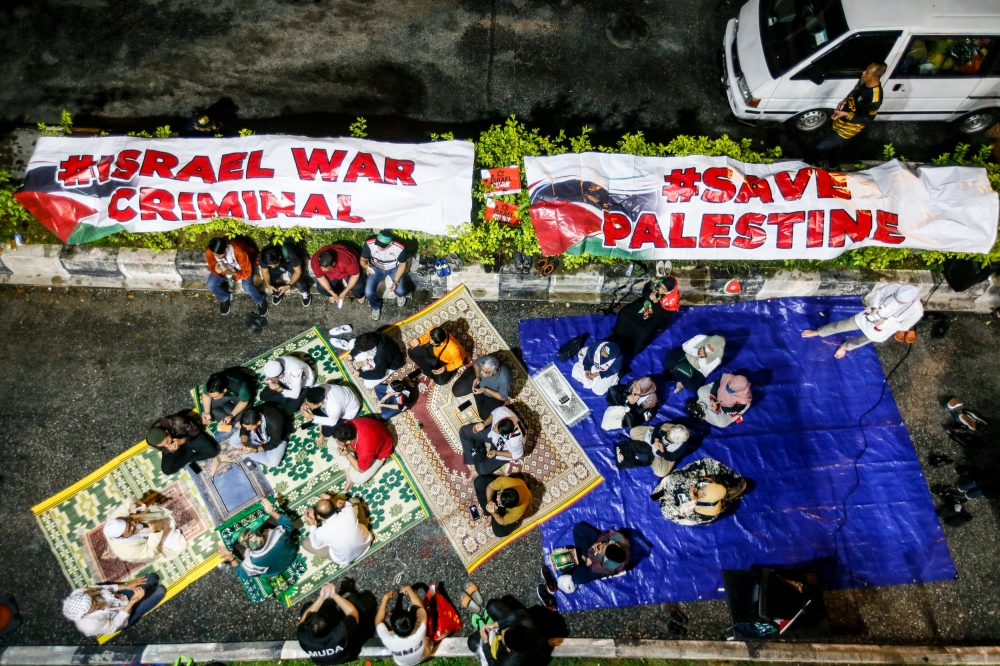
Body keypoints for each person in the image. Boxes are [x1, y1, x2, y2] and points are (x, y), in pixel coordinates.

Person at [801, 283, 923, 358]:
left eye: (900, 302)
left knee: (860, 341)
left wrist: (884, 323)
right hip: (867, 316)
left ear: (911, 300)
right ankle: (818, 332)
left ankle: (845, 347)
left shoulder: (916, 311)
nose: (897, 301)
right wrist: (874, 307)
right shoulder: (895, 287)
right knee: (840, 326)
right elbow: (880, 293)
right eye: (896, 297)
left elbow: (903, 326)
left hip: (881, 330)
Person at [812, 62, 886, 166]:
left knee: (822, 146)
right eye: (866, 69)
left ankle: (807, 162)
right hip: (843, 117)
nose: (863, 72)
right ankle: (832, 164)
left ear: (875, 77)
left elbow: (866, 120)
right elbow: (855, 91)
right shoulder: (865, 80)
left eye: (868, 72)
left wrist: (845, 114)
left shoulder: (875, 98)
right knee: (838, 144)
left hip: (851, 126)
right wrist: (845, 100)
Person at [217, 497, 298, 579]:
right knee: (277, 517)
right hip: (290, 554)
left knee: (235, 549)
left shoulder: (252, 561)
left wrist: (231, 558)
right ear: (263, 534)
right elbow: (288, 523)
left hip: (274, 571)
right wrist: (271, 511)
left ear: (249, 550)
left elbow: (241, 574)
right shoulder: (279, 535)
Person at [650, 457, 747, 526]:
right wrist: (692, 487)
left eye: (703, 492)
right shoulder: (706, 484)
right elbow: (699, 482)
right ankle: (660, 493)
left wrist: (692, 501)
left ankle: (730, 491)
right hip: (685, 492)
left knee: (667, 509)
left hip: (683, 508)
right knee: (673, 480)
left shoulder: (708, 512)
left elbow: (685, 512)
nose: (699, 488)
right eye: (703, 487)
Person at [61, 574, 166, 637]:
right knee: (160, 591)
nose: (96, 602)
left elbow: (103, 588)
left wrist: (126, 586)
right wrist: (132, 602)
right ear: (86, 613)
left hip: (119, 598)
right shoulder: (90, 626)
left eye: (93, 599)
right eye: (93, 605)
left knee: (152, 578)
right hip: (122, 617)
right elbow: (116, 624)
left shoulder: (80, 593)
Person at [298, 582, 376, 665]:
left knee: (307, 607)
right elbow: (353, 613)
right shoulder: (340, 633)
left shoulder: (303, 637)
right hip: (348, 652)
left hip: (325, 660)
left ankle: (329, 608)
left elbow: (302, 620)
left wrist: (321, 598)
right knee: (354, 600)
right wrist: (334, 595)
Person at [102, 496, 187, 563]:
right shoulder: (126, 551)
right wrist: (154, 533)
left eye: (129, 523)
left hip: (146, 524)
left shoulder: (114, 519)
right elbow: (150, 552)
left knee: (159, 516)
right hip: (152, 546)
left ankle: (164, 522)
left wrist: (131, 506)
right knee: (176, 541)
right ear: (121, 537)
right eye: (129, 530)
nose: (133, 526)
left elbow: (127, 502)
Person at [610, 276, 680, 357]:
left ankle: (631, 348)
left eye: (664, 289)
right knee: (624, 314)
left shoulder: (671, 301)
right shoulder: (656, 282)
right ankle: (617, 334)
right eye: (661, 286)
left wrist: (656, 303)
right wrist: (649, 295)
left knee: (642, 331)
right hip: (645, 304)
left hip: (655, 317)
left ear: (670, 290)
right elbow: (645, 290)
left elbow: (661, 315)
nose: (660, 289)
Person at [205, 236, 267, 317]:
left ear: (226, 250)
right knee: (210, 284)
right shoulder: (210, 250)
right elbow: (211, 263)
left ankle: (261, 300)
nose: (216, 256)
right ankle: (225, 297)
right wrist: (215, 269)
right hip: (224, 268)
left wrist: (228, 272)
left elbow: (246, 273)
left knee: (247, 286)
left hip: (243, 266)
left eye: (218, 255)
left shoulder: (239, 252)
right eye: (214, 254)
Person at [466, 596, 538, 666]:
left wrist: (485, 642)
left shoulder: (508, 663)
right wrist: (496, 624)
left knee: (472, 641)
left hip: (501, 651)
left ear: (508, 649)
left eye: (503, 635)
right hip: (518, 635)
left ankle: (484, 625)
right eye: (507, 629)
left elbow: (492, 663)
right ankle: (489, 624)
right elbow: (518, 614)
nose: (502, 631)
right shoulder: (528, 624)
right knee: (492, 605)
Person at [303, 493, 373, 565]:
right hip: (366, 544)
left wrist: (312, 523)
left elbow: (316, 545)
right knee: (354, 500)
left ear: (318, 517)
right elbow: (346, 504)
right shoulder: (348, 512)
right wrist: (331, 498)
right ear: (334, 507)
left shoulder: (320, 532)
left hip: (345, 559)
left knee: (306, 543)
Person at [360, 230, 415, 321]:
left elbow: (402, 264)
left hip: (393, 268)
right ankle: (376, 307)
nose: (379, 247)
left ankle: (400, 295)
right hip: (376, 268)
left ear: (391, 243)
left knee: (401, 291)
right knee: (368, 292)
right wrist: (366, 267)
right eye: (378, 244)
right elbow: (363, 259)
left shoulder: (399, 247)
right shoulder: (369, 243)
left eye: (383, 246)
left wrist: (396, 281)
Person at [558, 522, 630, 590]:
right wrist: (599, 543)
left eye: (602, 550)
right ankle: (579, 560)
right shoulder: (618, 537)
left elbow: (596, 568)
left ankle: (577, 564)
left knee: (577, 579)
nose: (601, 547)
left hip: (598, 565)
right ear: (614, 544)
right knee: (578, 528)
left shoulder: (612, 565)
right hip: (595, 547)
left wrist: (598, 556)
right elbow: (606, 536)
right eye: (604, 546)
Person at [459, 405, 525, 476]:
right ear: (502, 420)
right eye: (495, 426)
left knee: (481, 470)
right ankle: (475, 459)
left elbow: (516, 455)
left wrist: (496, 453)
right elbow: (494, 413)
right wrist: (484, 424)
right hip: (492, 436)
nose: (494, 430)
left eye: (497, 431)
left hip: (503, 449)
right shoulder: (503, 411)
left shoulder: (515, 441)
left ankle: (479, 446)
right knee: (464, 431)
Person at [147, 411, 220, 476]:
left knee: (213, 451)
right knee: (167, 470)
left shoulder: (178, 422)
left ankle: (185, 454)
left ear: (167, 432)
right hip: (177, 447)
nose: (167, 445)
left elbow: (196, 431)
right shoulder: (152, 441)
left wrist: (182, 441)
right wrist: (171, 450)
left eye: (167, 442)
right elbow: (164, 449)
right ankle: (188, 452)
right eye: (163, 445)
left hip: (189, 437)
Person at [331, 417, 395, 490]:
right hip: (372, 433)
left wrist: (347, 454)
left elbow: (361, 469)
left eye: (339, 442)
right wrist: (343, 446)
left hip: (380, 452)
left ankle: (350, 471)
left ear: (348, 442)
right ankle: (348, 474)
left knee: (356, 478)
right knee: (331, 442)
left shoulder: (366, 448)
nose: (338, 443)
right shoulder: (348, 424)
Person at [375, 585, 431, 666]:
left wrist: (385, 599)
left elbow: (378, 621)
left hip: (402, 663)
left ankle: (391, 616)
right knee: (414, 609)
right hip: (423, 656)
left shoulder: (388, 640)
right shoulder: (420, 628)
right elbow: (420, 608)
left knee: (384, 621)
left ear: (394, 630)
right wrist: (409, 589)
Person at [615, 423, 693, 476]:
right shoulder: (669, 426)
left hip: (664, 454)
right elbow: (657, 428)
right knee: (633, 432)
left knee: (661, 472)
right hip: (652, 439)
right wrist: (655, 439)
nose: (667, 438)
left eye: (669, 440)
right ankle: (648, 449)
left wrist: (662, 451)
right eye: (668, 435)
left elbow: (670, 457)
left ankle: (650, 455)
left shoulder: (680, 448)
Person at [311, 242, 367, 307]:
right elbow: (320, 277)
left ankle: (359, 295)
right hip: (332, 275)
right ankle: (336, 293)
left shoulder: (346, 261)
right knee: (321, 288)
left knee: (358, 288)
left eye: (326, 269)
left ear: (333, 264)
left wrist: (344, 293)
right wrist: (332, 293)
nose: (323, 270)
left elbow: (355, 276)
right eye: (321, 268)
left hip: (347, 272)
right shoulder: (315, 260)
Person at [260, 242, 312, 308]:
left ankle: (305, 292)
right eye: (270, 265)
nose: (272, 267)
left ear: (279, 257)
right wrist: (268, 285)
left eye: (273, 265)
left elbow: (298, 272)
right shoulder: (264, 256)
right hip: (278, 263)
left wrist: (288, 286)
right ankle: (278, 292)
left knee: (298, 281)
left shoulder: (291, 253)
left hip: (289, 262)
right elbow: (265, 272)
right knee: (267, 281)